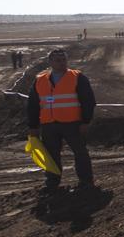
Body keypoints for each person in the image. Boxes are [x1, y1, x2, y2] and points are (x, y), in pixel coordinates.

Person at [27, 49, 97, 193]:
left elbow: (88, 100)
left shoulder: (77, 77)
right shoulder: (40, 80)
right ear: (50, 62)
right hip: (49, 125)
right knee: (51, 155)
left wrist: (85, 121)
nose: (62, 63)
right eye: (58, 60)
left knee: (80, 153)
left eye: (64, 60)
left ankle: (86, 181)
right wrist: (33, 126)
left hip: (72, 123)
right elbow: (33, 105)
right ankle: (52, 182)